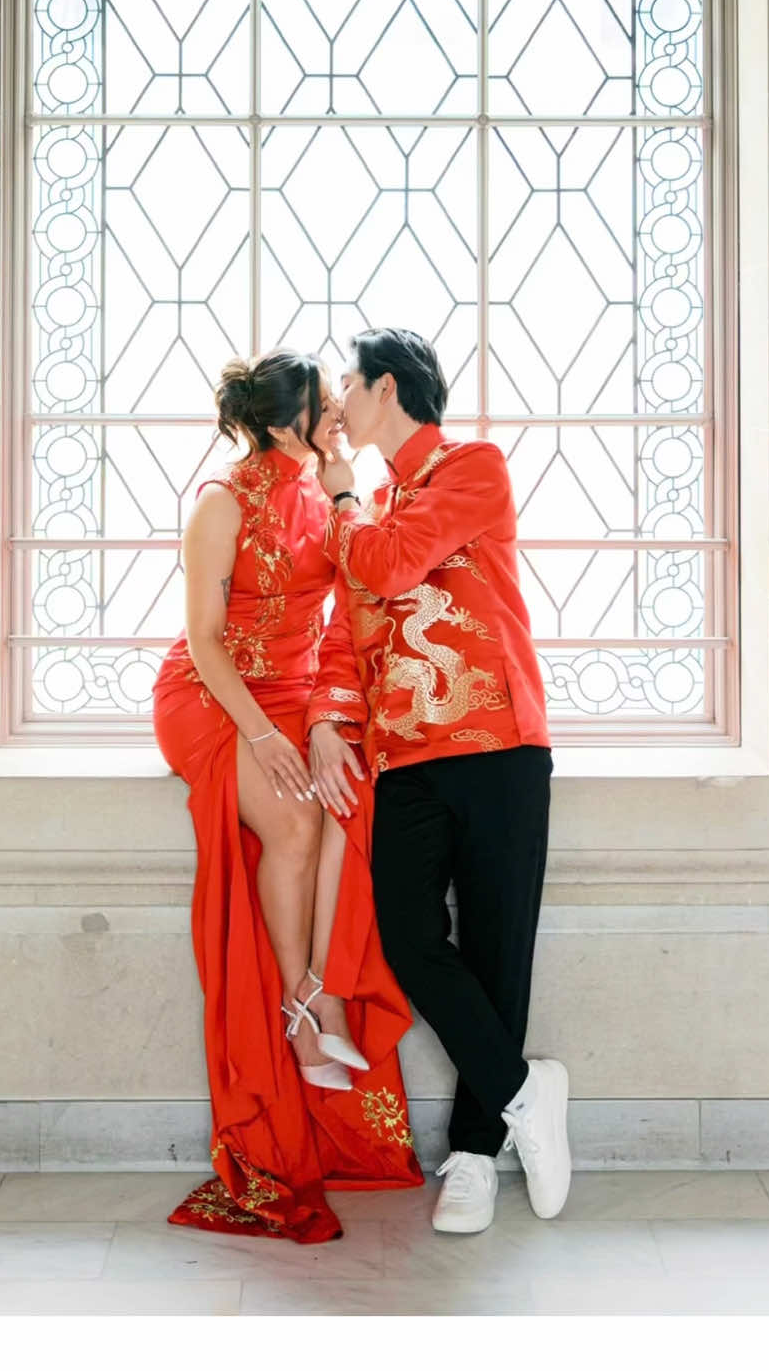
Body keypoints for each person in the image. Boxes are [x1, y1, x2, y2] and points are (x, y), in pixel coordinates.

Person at [152, 348, 424, 1245]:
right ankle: (306, 1010)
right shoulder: (221, 502)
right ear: (280, 422)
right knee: (297, 821)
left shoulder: (324, 491)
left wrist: (315, 720)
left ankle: (316, 988)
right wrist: (265, 736)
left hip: (296, 695)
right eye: (321, 403)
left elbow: (356, 607)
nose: (337, 410)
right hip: (213, 695)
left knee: (350, 796)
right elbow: (203, 639)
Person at [306, 327, 570, 1235]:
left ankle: (473, 1154)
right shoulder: (369, 508)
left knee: (497, 953)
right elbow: (345, 627)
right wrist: (323, 720)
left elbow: (386, 566)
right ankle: (526, 1091)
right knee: (411, 938)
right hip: (405, 760)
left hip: (498, 744)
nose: (338, 402)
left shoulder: (471, 467)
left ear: (387, 388)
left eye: (348, 383)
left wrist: (343, 495)